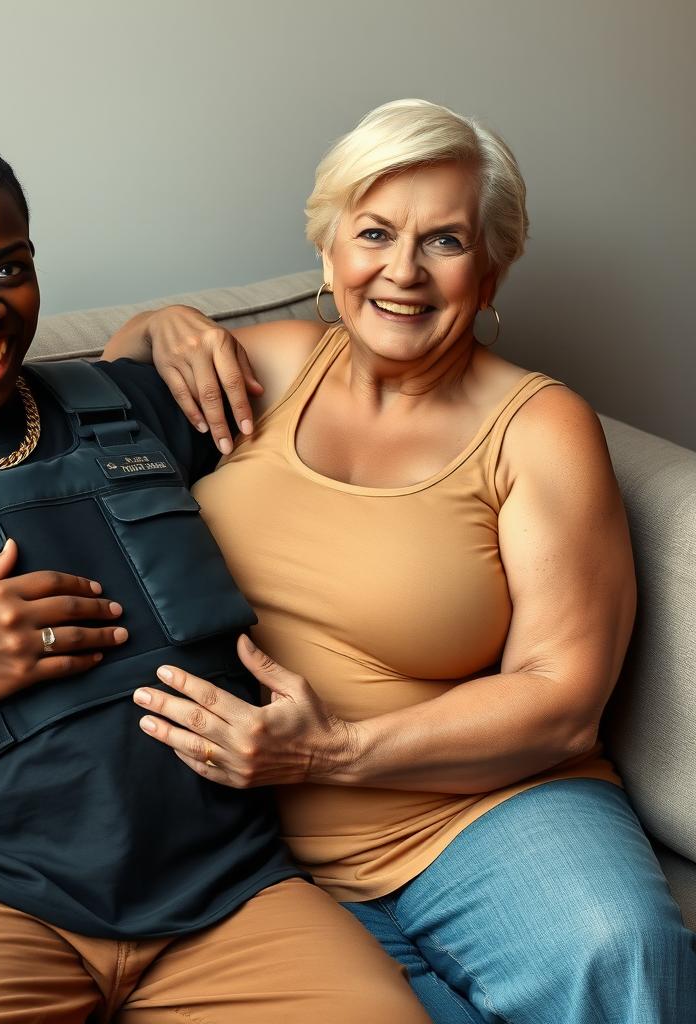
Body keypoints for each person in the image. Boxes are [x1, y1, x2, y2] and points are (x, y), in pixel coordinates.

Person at [0, 103, 431, 1023]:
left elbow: (349, 422)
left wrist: (169, 323)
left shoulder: (139, 408)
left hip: (216, 893)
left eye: (8, 268)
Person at [105, 98, 696, 1023]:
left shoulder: (538, 429)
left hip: (488, 816)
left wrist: (329, 753)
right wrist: (163, 323)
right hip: (259, 860)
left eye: (445, 242)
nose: (402, 272)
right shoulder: (270, 366)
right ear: (330, 248)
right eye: (374, 232)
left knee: (620, 955)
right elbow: (102, 421)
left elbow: (564, 696)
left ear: (494, 263)